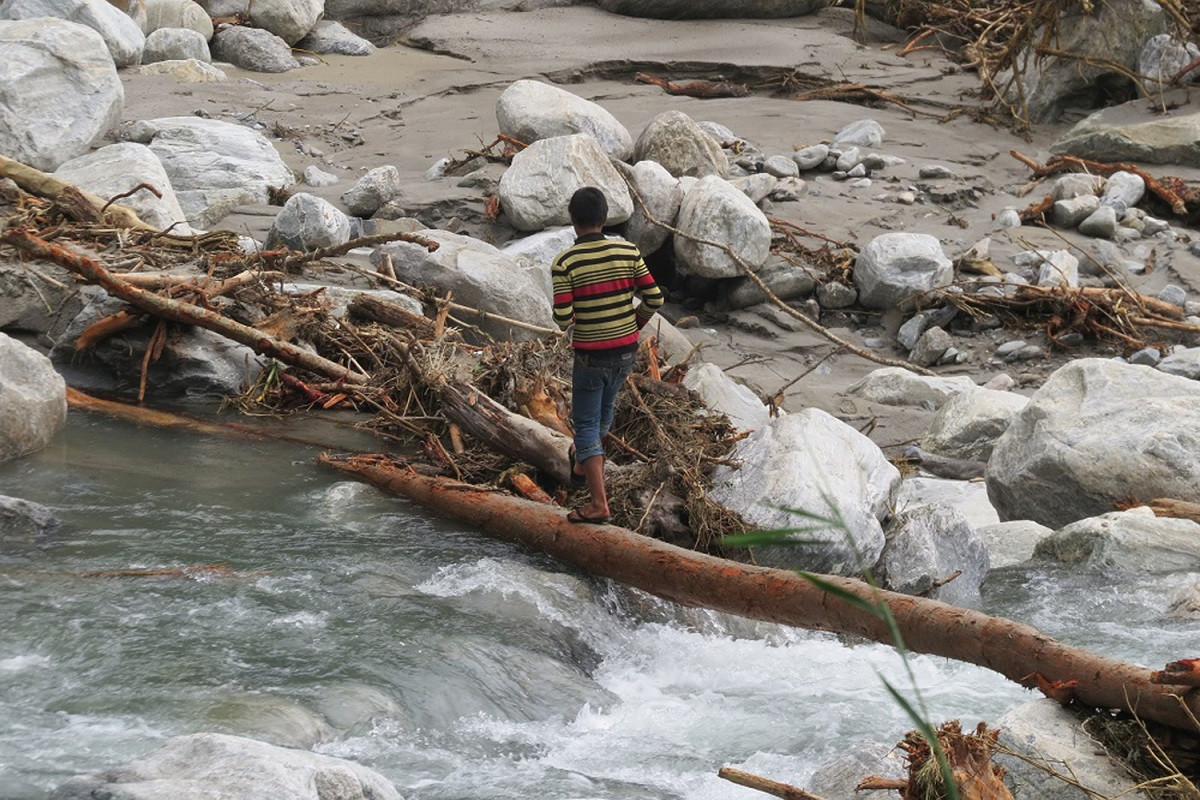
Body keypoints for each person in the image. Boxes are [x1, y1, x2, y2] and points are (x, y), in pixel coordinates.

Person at [551, 186, 664, 524]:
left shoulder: (565, 263)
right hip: (626, 351)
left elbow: (561, 318)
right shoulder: (628, 251)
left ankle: (598, 505)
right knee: (604, 413)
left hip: (590, 356)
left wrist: (578, 321)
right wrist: (633, 322)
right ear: (604, 218)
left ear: (573, 220)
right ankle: (581, 463)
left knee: (585, 425)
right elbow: (655, 298)